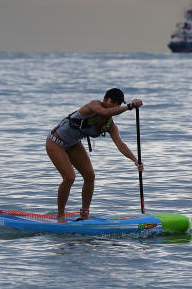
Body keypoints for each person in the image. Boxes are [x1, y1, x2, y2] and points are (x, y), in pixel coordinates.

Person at [45, 87, 143, 221]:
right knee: (69, 178)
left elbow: (121, 145)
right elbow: (104, 111)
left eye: (118, 103)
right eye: (113, 102)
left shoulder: (110, 125)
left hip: (73, 144)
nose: (115, 106)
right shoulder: (93, 105)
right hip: (55, 142)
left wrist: (135, 161)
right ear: (105, 100)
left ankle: (84, 214)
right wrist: (130, 106)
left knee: (90, 175)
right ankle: (60, 216)